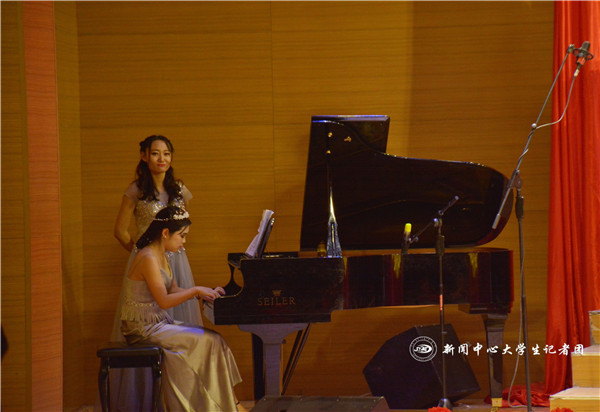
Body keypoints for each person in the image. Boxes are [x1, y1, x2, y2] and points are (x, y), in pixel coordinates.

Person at [103, 135, 203, 411]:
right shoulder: (136, 190)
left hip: (177, 261)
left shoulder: (179, 189)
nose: (162, 159)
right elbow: (120, 231)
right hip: (149, 262)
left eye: (167, 153)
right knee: (151, 323)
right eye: (156, 153)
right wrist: (140, 253)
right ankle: (148, 402)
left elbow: (183, 227)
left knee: (181, 321)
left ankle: (182, 399)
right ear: (144, 156)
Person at [121, 205, 243, 411]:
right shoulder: (148, 258)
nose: (184, 241)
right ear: (165, 233)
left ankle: (228, 403)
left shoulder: (162, 255)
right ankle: (224, 406)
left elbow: (174, 289)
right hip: (141, 328)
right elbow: (164, 301)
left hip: (157, 323)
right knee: (208, 341)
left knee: (215, 340)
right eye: (182, 236)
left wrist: (204, 291)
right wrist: (195, 290)